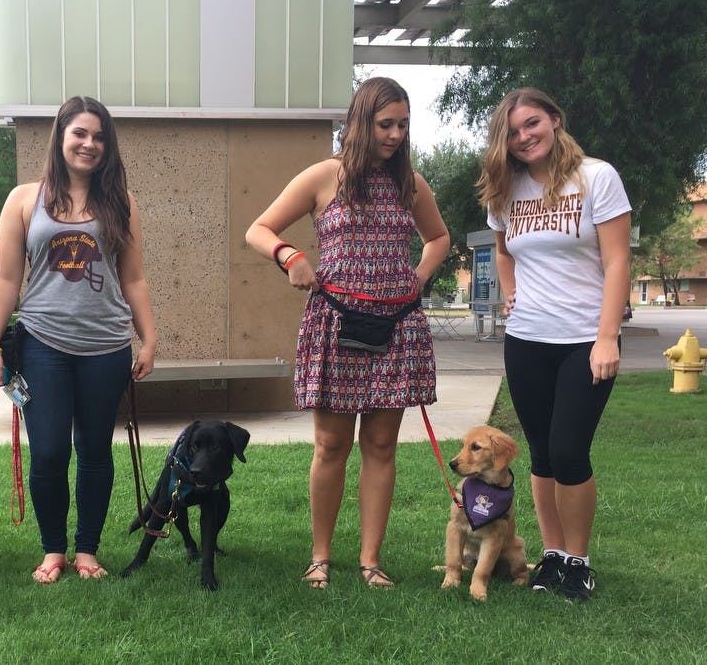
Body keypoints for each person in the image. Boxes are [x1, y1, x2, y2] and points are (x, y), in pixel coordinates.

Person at [244, 77, 450, 589]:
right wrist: (289, 256)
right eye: (386, 124)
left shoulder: (411, 184)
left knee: (382, 445)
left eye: (403, 124)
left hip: (396, 325)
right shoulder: (324, 176)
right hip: (334, 322)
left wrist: (418, 278)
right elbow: (258, 229)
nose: (396, 135)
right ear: (360, 122)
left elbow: (439, 237)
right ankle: (319, 556)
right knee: (330, 445)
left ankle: (370, 560)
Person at [0, 96, 156, 584]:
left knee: (95, 449)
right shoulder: (23, 199)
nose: (89, 144)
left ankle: (87, 551)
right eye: (80, 133)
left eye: (99, 136)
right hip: (42, 343)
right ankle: (53, 549)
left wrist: (148, 339)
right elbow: (5, 278)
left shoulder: (120, 203)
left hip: (106, 346)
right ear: (61, 137)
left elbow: (134, 277)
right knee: (52, 450)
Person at [478, 87, 631, 602]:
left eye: (532, 124)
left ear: (555, 119)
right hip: (526, 340)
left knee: (569, 451)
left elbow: (616, 262)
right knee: (541, 454)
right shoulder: (508, 188)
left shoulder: (596, 177)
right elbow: (503, 250)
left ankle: (580, 562)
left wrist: (607, 336)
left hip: (584, 340)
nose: (524, 137)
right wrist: (510, 294)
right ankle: (554, 557)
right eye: (514, 132)